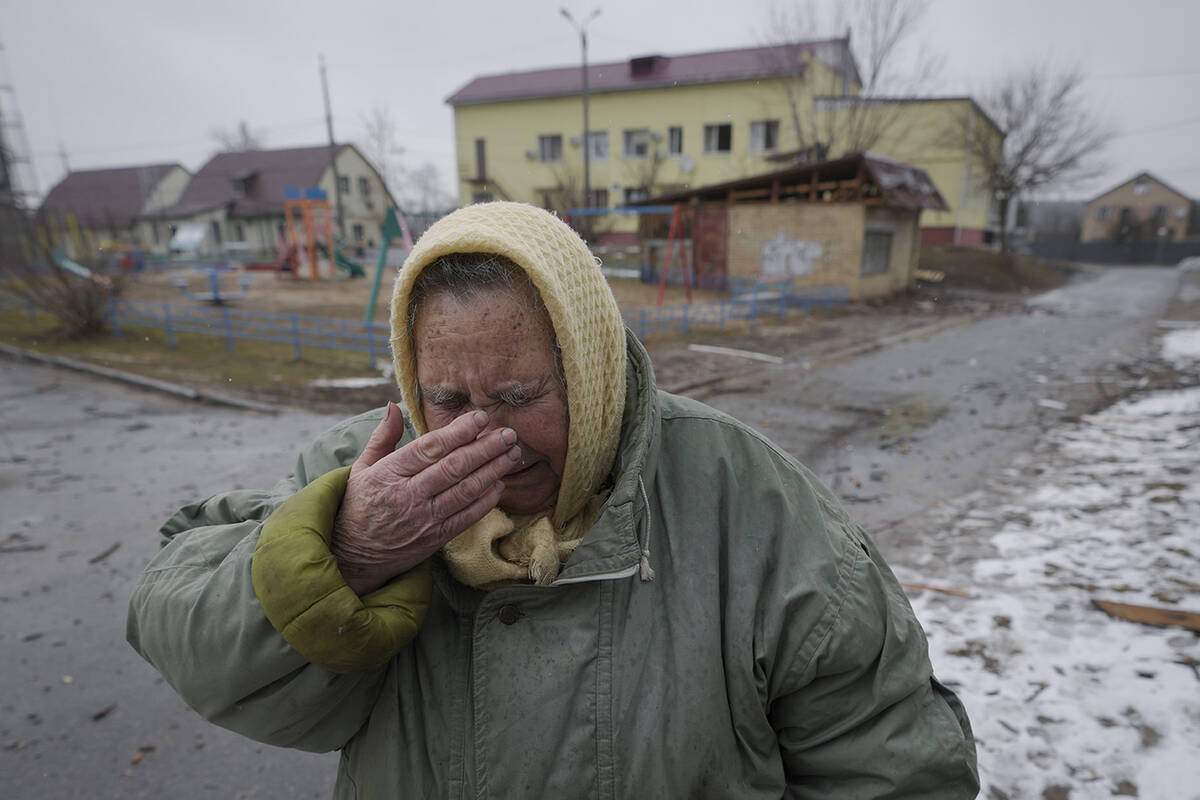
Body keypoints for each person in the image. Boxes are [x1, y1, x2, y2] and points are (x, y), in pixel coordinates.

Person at [127, 202, 978, 798]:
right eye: (449, 401)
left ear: (595, 374)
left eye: (521, 393)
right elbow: (184, 624)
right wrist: (343, 554)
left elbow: (891, 768)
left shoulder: (748, 501)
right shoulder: (366, 471)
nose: (484, 437)